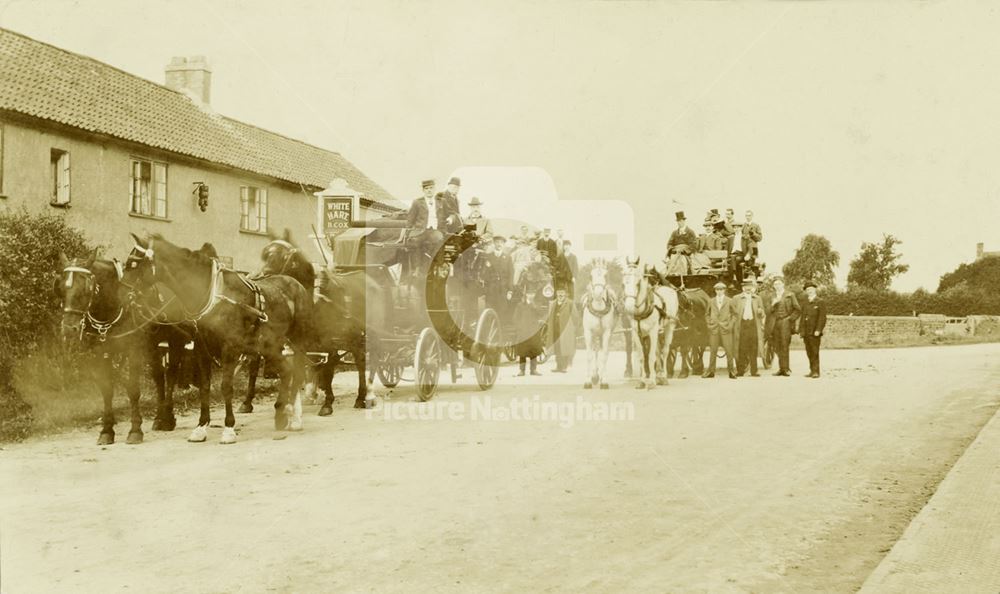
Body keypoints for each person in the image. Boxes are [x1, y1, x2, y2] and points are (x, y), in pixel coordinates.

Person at [732, 276, 766, 377]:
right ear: (743, 288)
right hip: (741, 325)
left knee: (753, 348)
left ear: (752, 288)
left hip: (753, 325)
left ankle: (754, 371)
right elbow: (732, 312)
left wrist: (761, 312)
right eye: (746, 287)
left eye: (750, 287)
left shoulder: (757, 298)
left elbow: (762, 312)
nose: (748, 289)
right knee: (741, 348)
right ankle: (740, 371)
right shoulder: (736, 298)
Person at [767, 276, 800, 376]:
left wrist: (790, 319)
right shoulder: (771, 296)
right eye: (775, 284)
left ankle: (785, 369)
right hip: (775, 322)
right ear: (773, 286)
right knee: (776, 345)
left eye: (779, 284)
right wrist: (773, 304)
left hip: (785, 322)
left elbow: (797, 309)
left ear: (783, 284)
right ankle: (781, 368)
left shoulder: (790, 295)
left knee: (785, 344)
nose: (777, 286)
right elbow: (768, 311)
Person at [704, 281, 737, 378]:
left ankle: (731, 372)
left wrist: (730, 325)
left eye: (721, 289)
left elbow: (735, 314)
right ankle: (711, 372)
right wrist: (709, 324)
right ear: (715, 291)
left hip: (726, 328)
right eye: (717, 290)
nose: (719, 291)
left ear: (724, 290)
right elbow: (706, 314)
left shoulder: (729, 300)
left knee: (729, 351)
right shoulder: (711, 301)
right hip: (714, 329)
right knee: (713, 350)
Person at [513, 287, 547, 376]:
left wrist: (534, 306)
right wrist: (519, 327)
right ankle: (522, 370)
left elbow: (541, 313)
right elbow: (515, 318)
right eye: (529, 293)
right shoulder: (520, 305)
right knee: (522, 351)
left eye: (532, 293)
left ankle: (533, 370)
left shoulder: (536, 304)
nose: (531, 295)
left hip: (533, 331)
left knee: (534, 351)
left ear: (534, 294)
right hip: (523, 331)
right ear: (526, 294)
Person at [481, 235, 514, 319]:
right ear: (494, 243)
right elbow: (484, 274)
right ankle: (489, 329)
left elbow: (511, 275)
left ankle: (500, 330)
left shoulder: (508, 258)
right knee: (490, 311)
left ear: (504, 245)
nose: (499, 244)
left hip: (503, 289)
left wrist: (510, 290)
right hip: (491, 289)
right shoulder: (488, 257)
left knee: (502, 311)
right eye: (497, 242)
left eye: (501, 243)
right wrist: (485, 288)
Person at [799, 280, 827, 378]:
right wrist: (801, 331)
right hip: (806, 332)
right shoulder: (805, 302)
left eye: (811, 289)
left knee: (815, 352)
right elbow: (802, 317)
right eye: (807, 290)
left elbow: (822, 318)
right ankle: (811, 371)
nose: (809, 291)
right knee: (809, 352)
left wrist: (818, 330)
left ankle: (816, 372)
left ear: (815, 289)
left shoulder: (820, 302)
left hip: (814, 332)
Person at [547, 286, 577, 373]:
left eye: (562, 292)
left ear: (565, 294)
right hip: (555, 330)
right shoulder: (553, 304)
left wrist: (572, 329)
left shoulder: (570, 303)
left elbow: (575, 317)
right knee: (557, 348)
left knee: (565, 348)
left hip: (566, 331)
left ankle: (564, 367)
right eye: (559, 292)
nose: (560, 294)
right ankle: (558, 366)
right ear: (556, 294)